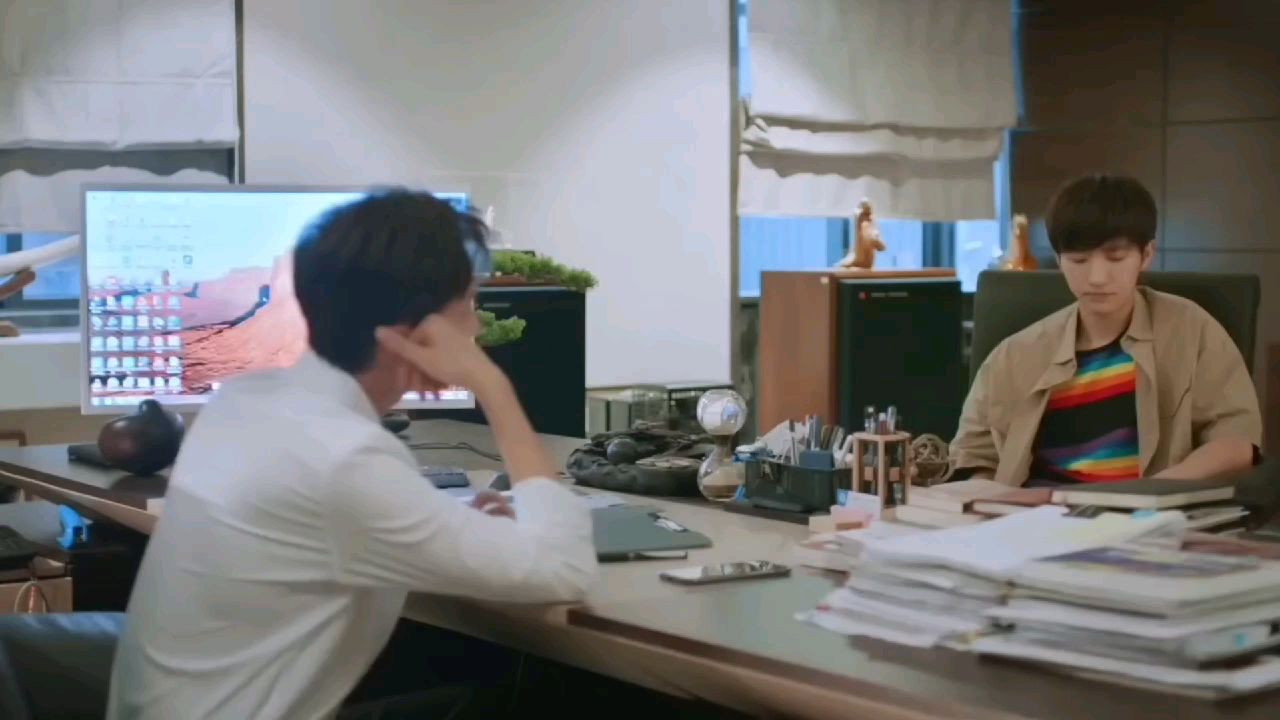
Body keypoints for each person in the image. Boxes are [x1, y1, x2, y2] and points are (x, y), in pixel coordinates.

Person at [107, 190, 598, 719]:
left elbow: (338, 525)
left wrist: (447, 527)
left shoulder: (242, 402)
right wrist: (494, 387)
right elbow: (561, 569)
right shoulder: (344, 458)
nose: (476, 329)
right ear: (418, 333)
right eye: (469, 305)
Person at [951, 174, 1261, 486]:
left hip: (1146, 510)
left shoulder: (1190, 330)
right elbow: (973, 456)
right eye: (1079, 260)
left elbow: (1236, 443)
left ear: (1146, 255)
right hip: (1034, 510)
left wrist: (1147, 494)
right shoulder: (1013, 355)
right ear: (1059, 260)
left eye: (1116, 258)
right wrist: (986, 499)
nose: (1097, 277)